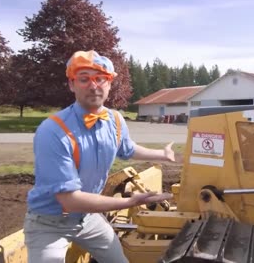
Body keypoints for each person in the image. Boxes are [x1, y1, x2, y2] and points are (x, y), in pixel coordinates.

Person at [23, 50, 175, 263]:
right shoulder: (53, 131)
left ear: (109, 84)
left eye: (100, 79)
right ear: (71, 84)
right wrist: (129, 202)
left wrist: (162, 154)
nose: (93, 85)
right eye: (84, 79)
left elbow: (128, 149)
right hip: (49, 224)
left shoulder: (115, 119)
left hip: (89, 217)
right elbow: (70, 200)